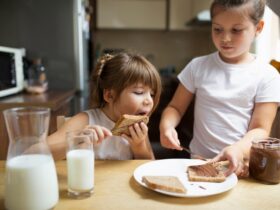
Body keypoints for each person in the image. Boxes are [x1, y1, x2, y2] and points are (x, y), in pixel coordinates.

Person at [159, 0, 280, 177]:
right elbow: (175, 108)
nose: (225, 38)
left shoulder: (267, 75)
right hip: (198, 164)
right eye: (217, 29)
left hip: (238, 167)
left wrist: (237, 150)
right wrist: (166, 126)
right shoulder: (197, 66)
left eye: (236, 30)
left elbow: (260, 129)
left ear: (258, 28)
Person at [48, 52, 162, 160]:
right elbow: (37, 152)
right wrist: (78, 139)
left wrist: (139, 146)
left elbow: (149, 166)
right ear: (109, 95)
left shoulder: (138, 128)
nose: (149, 101)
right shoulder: (86, 120)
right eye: (139, 92)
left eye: (152, 94)